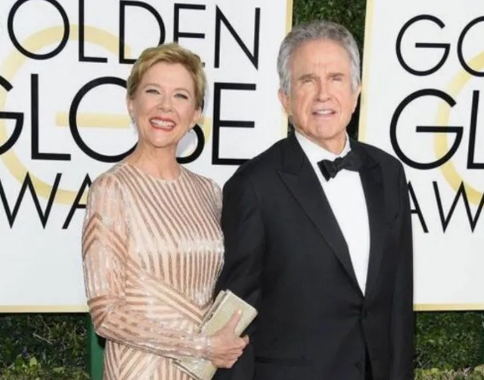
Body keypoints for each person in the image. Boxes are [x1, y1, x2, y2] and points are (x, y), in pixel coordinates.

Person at [213, 20, 414, 380]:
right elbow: (234, 322)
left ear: (356, 92)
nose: (323, 94)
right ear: (285, 98)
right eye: (307, 80)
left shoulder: (388, 172)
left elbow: (398, 300)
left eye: (336, 78)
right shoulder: (253, 186)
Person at [82, 43, 248, 380]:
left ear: (196, 114)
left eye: (181, 96)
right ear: (132, 103)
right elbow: (106, 314)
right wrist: (200, 346)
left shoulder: (208, 191)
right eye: (153, 91)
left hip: (201, 371)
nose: (165, 107)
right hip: (139, 369)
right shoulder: (111, 189)